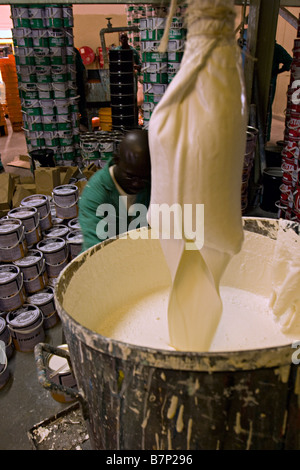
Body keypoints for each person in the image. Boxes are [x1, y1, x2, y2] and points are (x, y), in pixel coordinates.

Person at [78, 129, 151, 251]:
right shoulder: (95, 194)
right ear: (117, 160)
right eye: (130, 176)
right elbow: (95, 250)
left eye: (144, 178)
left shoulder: (150, 182)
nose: (137, 184)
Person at [267, 41, 293, 141]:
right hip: (268, 80)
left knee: (266, 109)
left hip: (269, 82)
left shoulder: (275, 48)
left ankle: (265, 136)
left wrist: (276, 72)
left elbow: (289, 61)